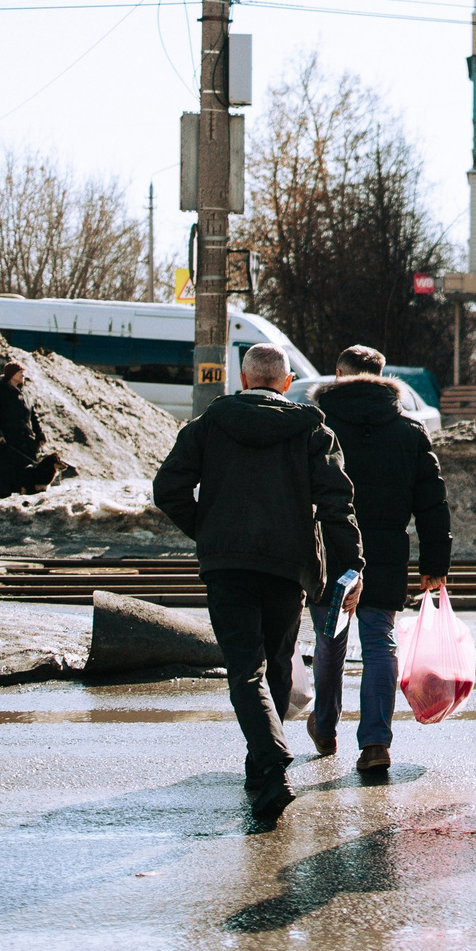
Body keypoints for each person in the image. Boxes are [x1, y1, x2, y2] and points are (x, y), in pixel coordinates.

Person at [152, 343, 362, 825]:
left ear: (243, 381)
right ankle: (263, 764)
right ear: (286, 383)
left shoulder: (208, 426)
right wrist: (352, 567)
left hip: (228, 568)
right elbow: (337, 503)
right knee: (278, 662)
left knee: (245, 667)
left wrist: (209, 530)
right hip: (289, 567)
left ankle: (268, 762)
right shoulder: (313, 430)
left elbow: (169, 489)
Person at [310, 344, 453, 778]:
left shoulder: (318, 429)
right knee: (378, 643)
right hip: (387, 553)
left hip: (331, 551)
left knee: (329, 639)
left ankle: (326, 725)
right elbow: (432, 504)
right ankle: (374, 742)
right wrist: (436, 562)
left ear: (339, 374)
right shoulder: (408, 432)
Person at [0, 360, 53, 497]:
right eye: (20, 372)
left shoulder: (26, 394)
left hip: (26, 443)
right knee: (6, 482)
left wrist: (39, 434)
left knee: (29, 482)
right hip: (7, 444)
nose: (23, 374)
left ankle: (26, 513)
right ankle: (4, 513)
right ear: (11, 374)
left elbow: (33, 416)